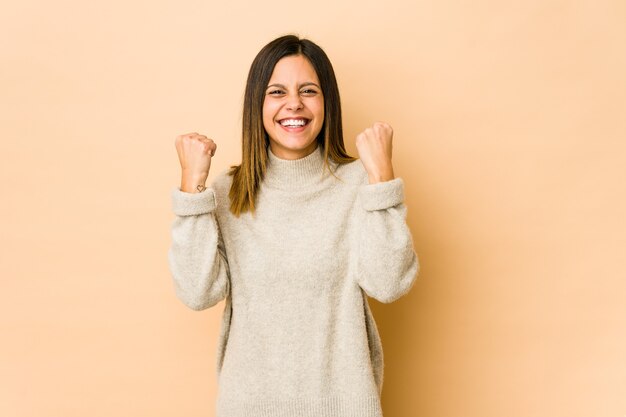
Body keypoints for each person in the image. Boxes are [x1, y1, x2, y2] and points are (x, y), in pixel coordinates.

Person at [168, 34, 420, 417]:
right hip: (248, 408)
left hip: (345, 408)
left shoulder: (359, 185)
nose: (294, 104)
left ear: (327, 102)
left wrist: (383, 179)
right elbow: (197, 292)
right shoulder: (228, 192)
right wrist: (191, 191)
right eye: (277, 92)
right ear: (258, 104)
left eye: (308, 91)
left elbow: (389, 283)